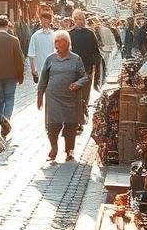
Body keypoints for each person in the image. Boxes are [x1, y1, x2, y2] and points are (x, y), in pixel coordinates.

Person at [36, 30, 89, 162]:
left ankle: (69, 151)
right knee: (53, 124)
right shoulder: (50, 59)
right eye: (56, 41)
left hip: (71, 98)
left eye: (60, 41)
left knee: (71, 125)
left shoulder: (76, 59)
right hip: (53, 97)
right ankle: (54, 148)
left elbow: (84, 77)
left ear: (68, 43)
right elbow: (43, 79)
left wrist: (78, 83)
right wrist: (39, 96)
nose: (57, 44)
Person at [69, 10, 103, 107]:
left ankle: (84, 110)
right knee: (75, 90)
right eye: (76, 19)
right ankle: (77, 112)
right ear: (73, 20)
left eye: (80, 19)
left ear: (83, 20)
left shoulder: (90, 33)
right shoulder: (70, 34)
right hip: (74, 67)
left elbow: (95, 50)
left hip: (87, 67)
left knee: (86, 90)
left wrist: (95, 64)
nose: (78, 21)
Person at [28, 11, 56, 85]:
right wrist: (33, 69)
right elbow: (31, 54)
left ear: (50, 21)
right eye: (42, 20)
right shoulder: (35, 36)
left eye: (46, 20)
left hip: (53, 68)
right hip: (40, 68)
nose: (44, 22)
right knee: (42, 90)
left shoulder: (55, 35)